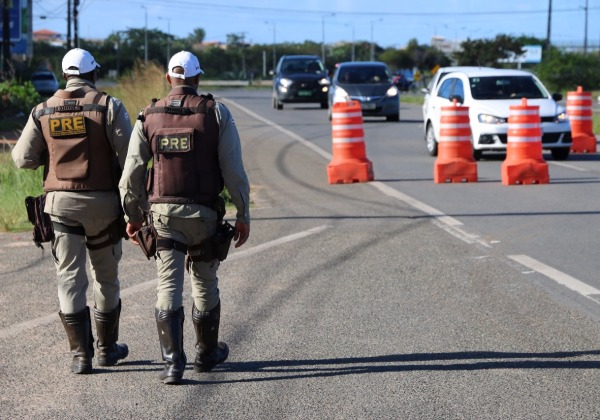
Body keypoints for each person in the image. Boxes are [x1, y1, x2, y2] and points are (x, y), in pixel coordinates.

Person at [119, 51, 250, 385]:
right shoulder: (216, 113)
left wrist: (131, 214)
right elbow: (233, 170)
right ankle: (207, 354)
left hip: (162, 215)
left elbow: (132, 171)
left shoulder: (147, 115)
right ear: (197, 79)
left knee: (168, 284)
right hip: (205, 213)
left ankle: (173, 364)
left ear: (168, 80)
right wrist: (243, 213)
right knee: (204, 281)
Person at [12, 48, 132, 374]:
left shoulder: (42, 110)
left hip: (61, 208)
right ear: (92, 74)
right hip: (105, 207)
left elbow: (22, 159)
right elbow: (131, 156)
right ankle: (107, 349)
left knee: (69, 279)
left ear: (64, 75)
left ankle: (81, 356)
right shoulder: (108, 106)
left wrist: (50, 155)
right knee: (106, 278)